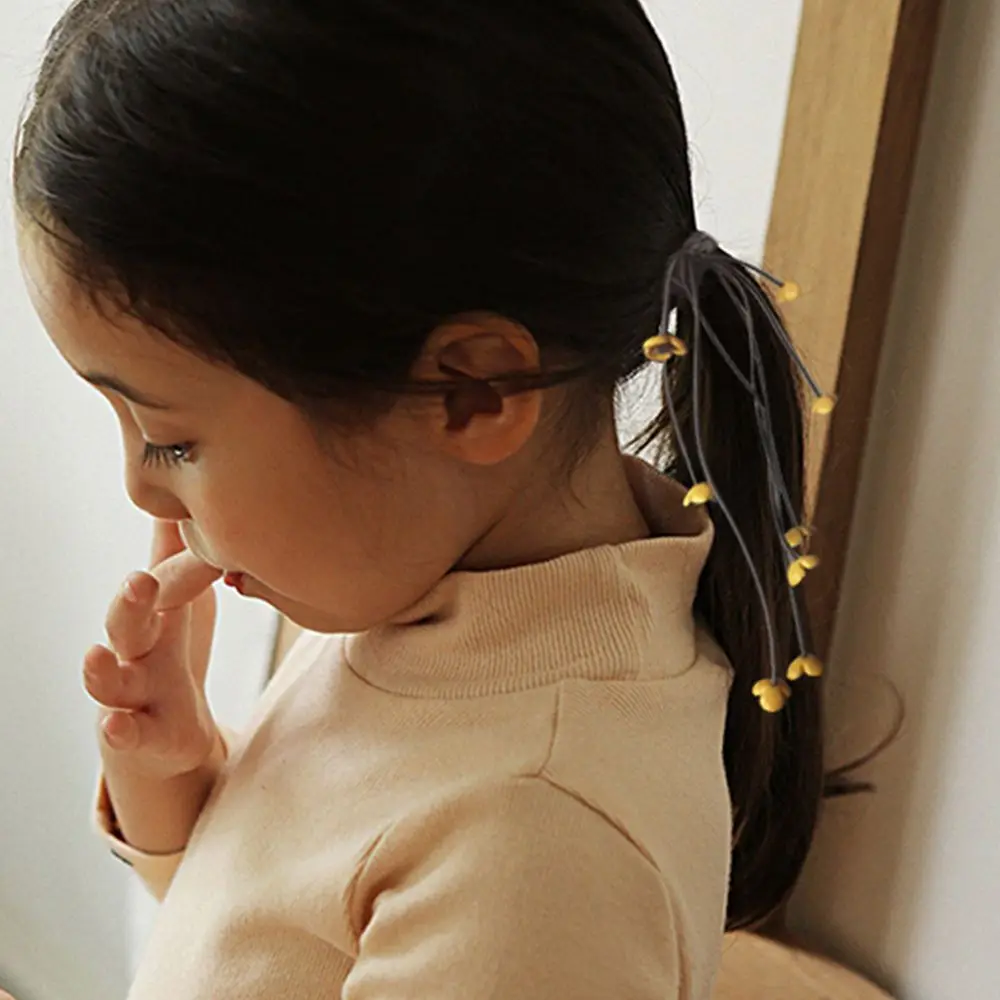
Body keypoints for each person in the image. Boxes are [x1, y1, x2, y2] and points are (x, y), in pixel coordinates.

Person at [12, 1, 841, 997]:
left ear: (470, 391)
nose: (139, 484)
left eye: (171, 437)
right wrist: (180, 780)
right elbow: (271, 945)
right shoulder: (427, 585)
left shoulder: (536, 841)